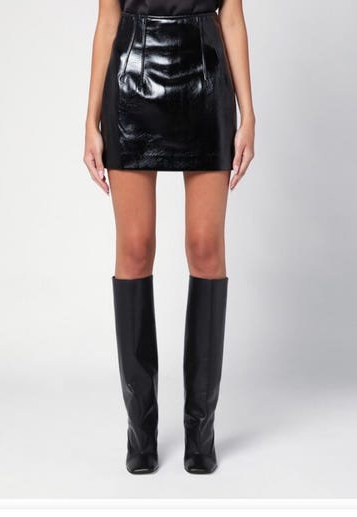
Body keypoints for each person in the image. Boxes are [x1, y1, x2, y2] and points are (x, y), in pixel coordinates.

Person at [83, 0, 255, 474]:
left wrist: (248, 114)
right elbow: (107, 20)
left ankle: (201, 431)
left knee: (205, 248)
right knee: (135, 249)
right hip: (131, 77)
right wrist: (90, 121)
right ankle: (141, 432)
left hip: (206, 78)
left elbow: (233, 17)